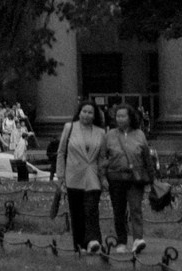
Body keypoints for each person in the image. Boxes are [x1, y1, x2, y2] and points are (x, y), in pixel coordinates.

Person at [56, 99, 112, 256]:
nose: (86, 115)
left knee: (91, 210)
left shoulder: (101, 132)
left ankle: (94, 241)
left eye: (90, 112)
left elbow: (102, 157)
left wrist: (103, 178)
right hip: (73, 176)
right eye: (84, 112)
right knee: (77, 213)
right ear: (79, 113)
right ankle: (79, 245)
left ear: (95, 116)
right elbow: (61, 153)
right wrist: (61, 177)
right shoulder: (69, 128)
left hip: (93, 176)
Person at [105, 102, 157, 255]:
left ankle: (138, 239)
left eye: (123, 116)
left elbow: (147, 158)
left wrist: (153, 178)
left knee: (136, 208)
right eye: (118, 116)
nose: (120, 119)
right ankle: (121, 241)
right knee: (119, 211)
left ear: (130, 117)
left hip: (135, 179)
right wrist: (104, 174)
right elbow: (103, 156)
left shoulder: (139, 134)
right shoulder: (109, 135)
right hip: (116, 178)